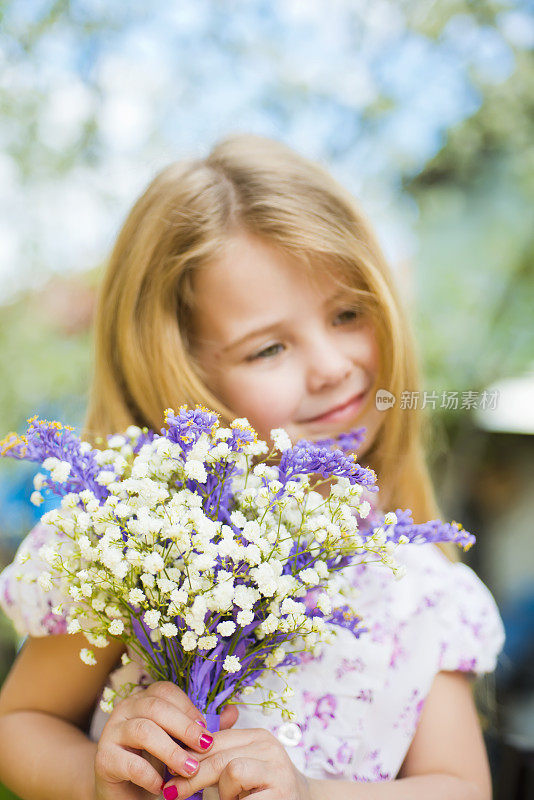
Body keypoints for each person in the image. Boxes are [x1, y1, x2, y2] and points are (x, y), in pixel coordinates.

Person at [0, 133, 505, 800]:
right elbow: (21, 723)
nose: (331, 366)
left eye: (349, 313)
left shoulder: (419, 592)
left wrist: (307, 792)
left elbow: (461, 788)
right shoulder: (133, 548)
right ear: (185, 374)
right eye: (268, 348)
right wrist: (94, 777)